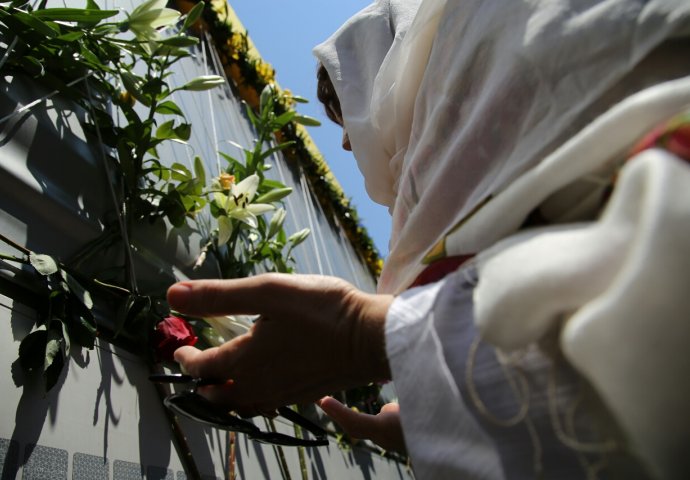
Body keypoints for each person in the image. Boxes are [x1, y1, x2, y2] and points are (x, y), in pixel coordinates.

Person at [169, 0, 690, 478]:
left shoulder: (528, 39)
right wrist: (450, 406)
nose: (349, 140)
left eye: (350, 110)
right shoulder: (448, 199)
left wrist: (367, 336)